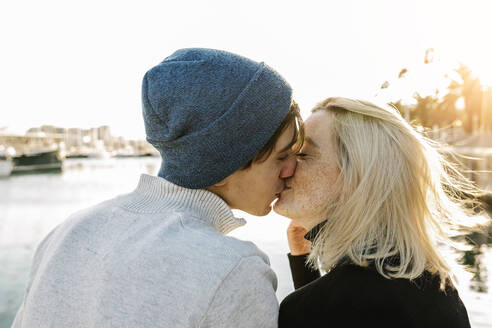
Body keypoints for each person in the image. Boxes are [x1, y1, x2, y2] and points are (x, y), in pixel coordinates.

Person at [12, 48, 303, 328]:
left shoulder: (67, 233)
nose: (291, 170)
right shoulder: (234, 270)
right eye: (281, 157)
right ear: (220, 166)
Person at [274, 97, 480, 328]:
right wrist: (305, 264)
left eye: (303, 154)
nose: (285, 167)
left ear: (358, 177)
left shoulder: (316, 307)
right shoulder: (437, 285)